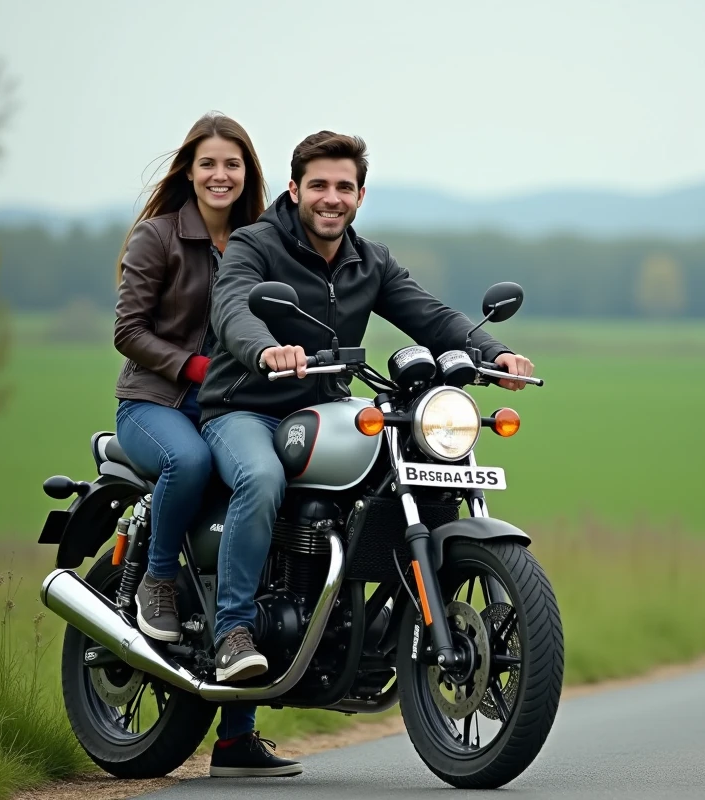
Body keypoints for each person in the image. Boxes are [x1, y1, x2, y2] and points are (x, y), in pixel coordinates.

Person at [194, 129, 534, 759]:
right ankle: (234, 631)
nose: (331, 197)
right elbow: (234, 307)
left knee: (395, 468)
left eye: (343, 187)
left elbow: (431, 316)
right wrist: (265, 348)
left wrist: (492, 352)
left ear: (360, 195)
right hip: (244, 408)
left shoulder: (368, 261)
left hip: (323, 410)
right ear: (295, 189)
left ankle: (361, 626)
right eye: (318, 185)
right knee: (262, 479)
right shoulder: (254, 245)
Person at [112, 112, 298, 778]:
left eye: (234, 165)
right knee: (188, 464)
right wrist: (191, 368)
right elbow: (128, 331)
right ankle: (158, 581)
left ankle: (235, 736)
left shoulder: (260, 243)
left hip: (230, 408)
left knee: (265, 522)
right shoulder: (158, 237)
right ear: (189, 171)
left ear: (249, 174)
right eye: (209, 164)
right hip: (154, 402)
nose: (222, 176)